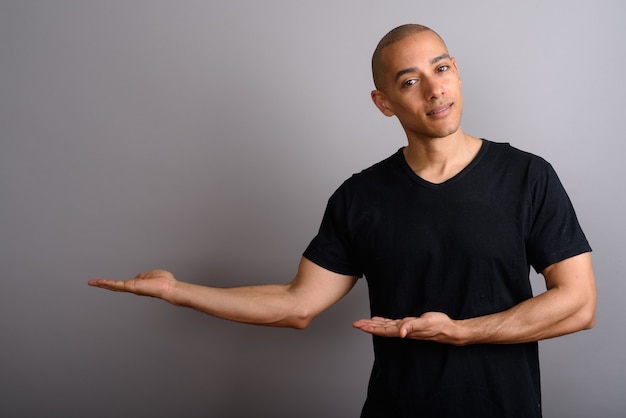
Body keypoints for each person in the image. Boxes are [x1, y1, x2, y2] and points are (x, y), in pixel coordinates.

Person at [88, 24, 597, 417]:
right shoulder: (361, 197)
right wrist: (179, 290)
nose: (434, 90)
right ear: (384, 102)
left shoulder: (528, 176)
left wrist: (462, 333)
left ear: (457, 72)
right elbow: (296, 304)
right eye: (409, 81)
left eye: (441, 69)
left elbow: (578, 305)